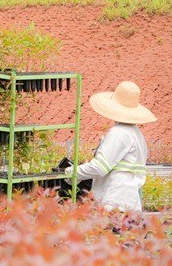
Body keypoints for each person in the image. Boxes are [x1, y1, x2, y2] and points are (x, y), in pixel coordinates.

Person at [65, 80, 155, 212]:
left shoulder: (118, 133)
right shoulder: (136, 134)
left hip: (114, 204)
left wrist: (72, 172)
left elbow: (100, 167)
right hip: (130, 204)